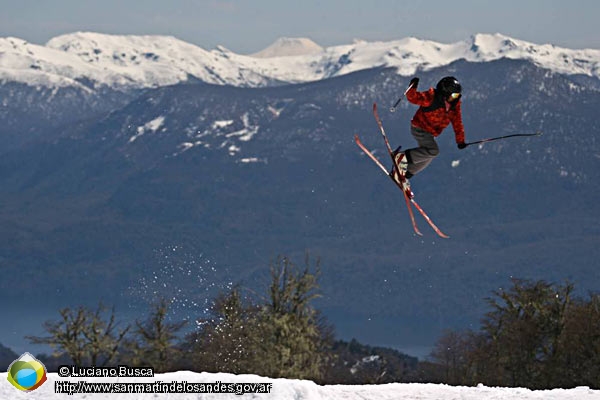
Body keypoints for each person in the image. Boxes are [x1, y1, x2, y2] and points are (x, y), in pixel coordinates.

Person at [392, 76, 467, 189]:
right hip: (419, 128)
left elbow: (457, 123)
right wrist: (413, 87)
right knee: (433, 151)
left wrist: (460, 141)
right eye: (454, 95)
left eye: (458, 96)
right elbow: (413, 98)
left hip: (430, 133)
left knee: (427, 157)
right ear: (445, 93)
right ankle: (401, 157)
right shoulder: (432, 97)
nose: (456, 99)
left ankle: (403, 175)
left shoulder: (454, 106)